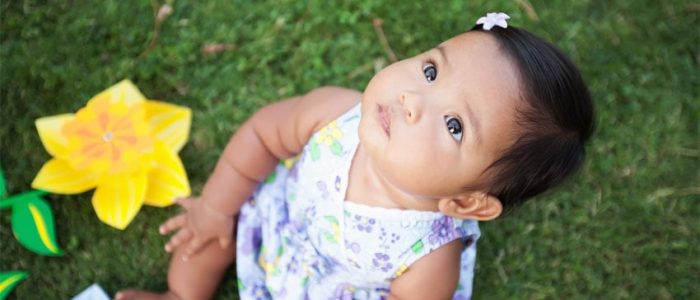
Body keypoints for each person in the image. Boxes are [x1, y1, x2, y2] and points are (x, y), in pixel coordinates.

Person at [116, 12, 594, 300]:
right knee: (203, 241)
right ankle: (179, 294)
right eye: (430, 70)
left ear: (469, 203)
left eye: (453, 125)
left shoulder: (430, 258)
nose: (411, 99)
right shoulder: (335, 114)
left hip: (338, 284)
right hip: (282, 217)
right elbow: (264, 136)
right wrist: (218, 208)